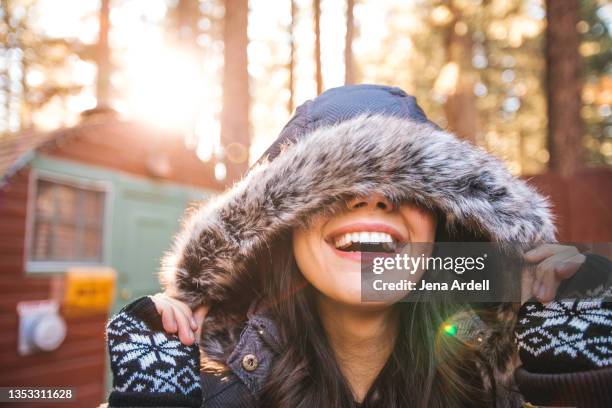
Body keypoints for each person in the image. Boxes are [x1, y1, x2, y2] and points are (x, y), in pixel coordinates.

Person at [105, 85, 611, 408]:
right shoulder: (204, 393)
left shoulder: (502, 389)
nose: (372, 196)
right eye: (331, 185)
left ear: (443, 228)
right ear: (280, 228)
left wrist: (582, 384)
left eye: (412, 187)